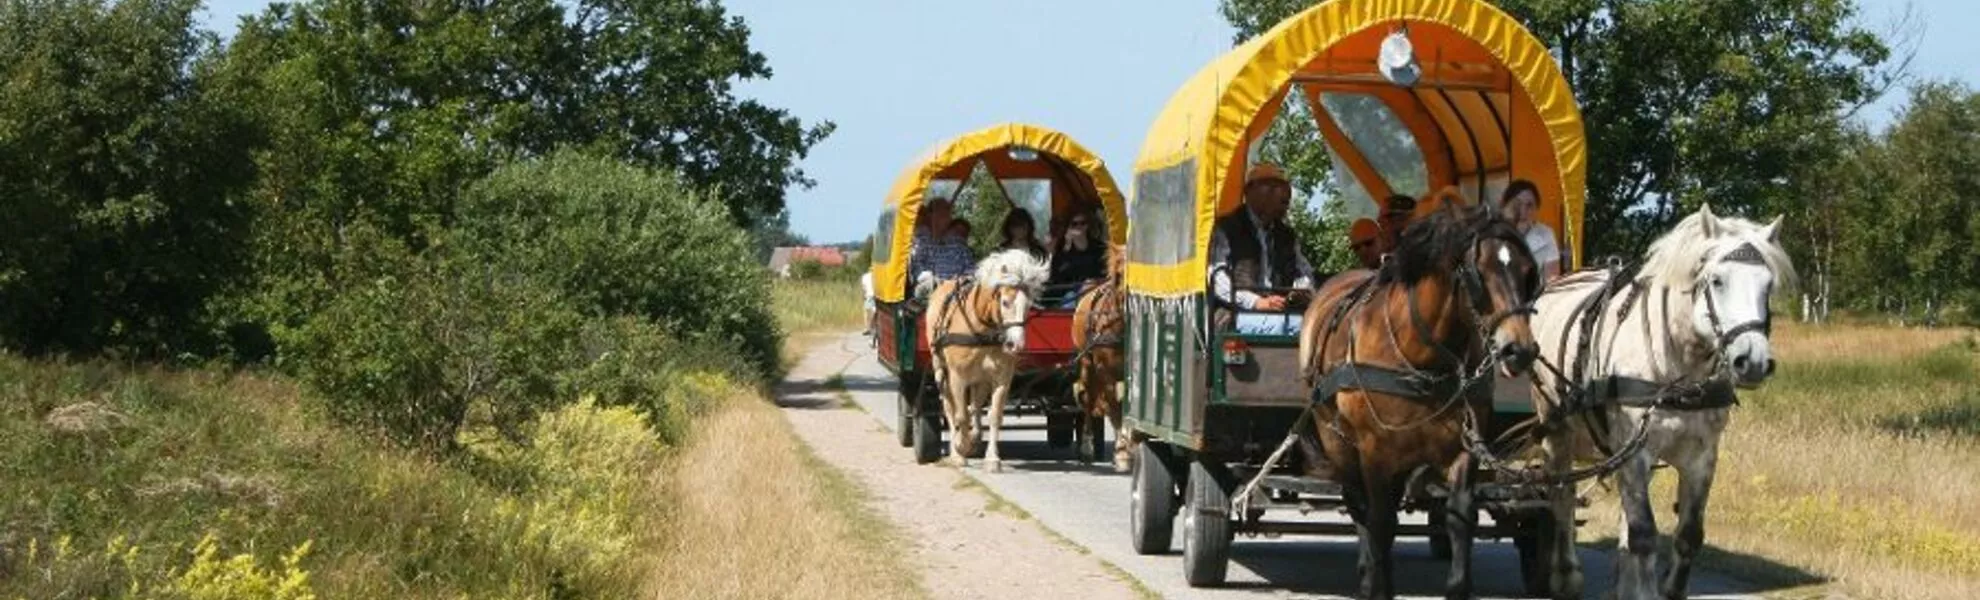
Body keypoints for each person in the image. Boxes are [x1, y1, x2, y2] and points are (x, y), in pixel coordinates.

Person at [1209, 163, 1315, 335]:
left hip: (1281, 312)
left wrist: (1300, 291)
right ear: (1249, 192)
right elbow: (1217, 279)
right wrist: (1256, 302)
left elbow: (1304, 272)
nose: (1281, 195)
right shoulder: (1227, 228)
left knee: (1315, 327)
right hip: (1234, 314)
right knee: (1285, 326)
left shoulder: (1287, 235)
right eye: (1271, 187)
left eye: (1283, 189)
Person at [909, 198, 977, 298]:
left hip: (957, 293)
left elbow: (971, 269)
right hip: (931, 291)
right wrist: (930, 279)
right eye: (941, 214)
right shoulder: (921, 241)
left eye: (947, 215)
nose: (946, 219)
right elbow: (916, 265)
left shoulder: (958, 245)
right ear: (930, 216)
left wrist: (965, 279)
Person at [1500, 179, 1562, 280]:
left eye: (1529, 205)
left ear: (1536, 208)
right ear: (1505, 206)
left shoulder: (1546, 234)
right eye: (1517, 204)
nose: (1523, 211)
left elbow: (1552, 279)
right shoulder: (1492, 235)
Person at [1048, 209, 1107, 307]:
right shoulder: (1061, 249)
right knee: (1070, 298)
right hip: (1069, 294)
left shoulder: (1099, 248)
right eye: (1074, 224)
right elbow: (1057, 276)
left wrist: (1091, 283)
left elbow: (1104, 272)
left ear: (1088, 225)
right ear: (1069, 227)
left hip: (1094, 290)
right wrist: (1067, 247)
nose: (1079, 227)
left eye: (1083, 223)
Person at [859, 270, 876, 336]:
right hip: (875, 295)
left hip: (868, 295)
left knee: (866, 312)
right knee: (874, 311)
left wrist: (863, 296)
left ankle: (867, 328)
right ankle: (873, 326)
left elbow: (863, 288)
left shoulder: (864, 277)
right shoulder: (875, 275)